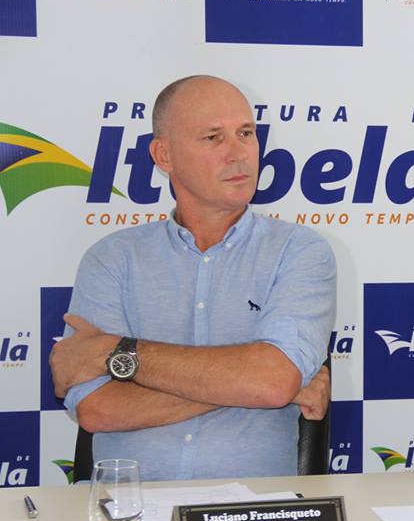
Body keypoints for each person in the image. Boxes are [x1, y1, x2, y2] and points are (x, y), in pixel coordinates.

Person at [50, 75, 336, 481]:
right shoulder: (112, 259)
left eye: (246, 133)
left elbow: (271, 382)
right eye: (213, 138)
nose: (239, 154)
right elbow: (98, 408)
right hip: (127, 514)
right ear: (164, 155)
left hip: (255, 513)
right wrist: (253, 386)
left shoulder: (300, 251)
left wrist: (116, 352)